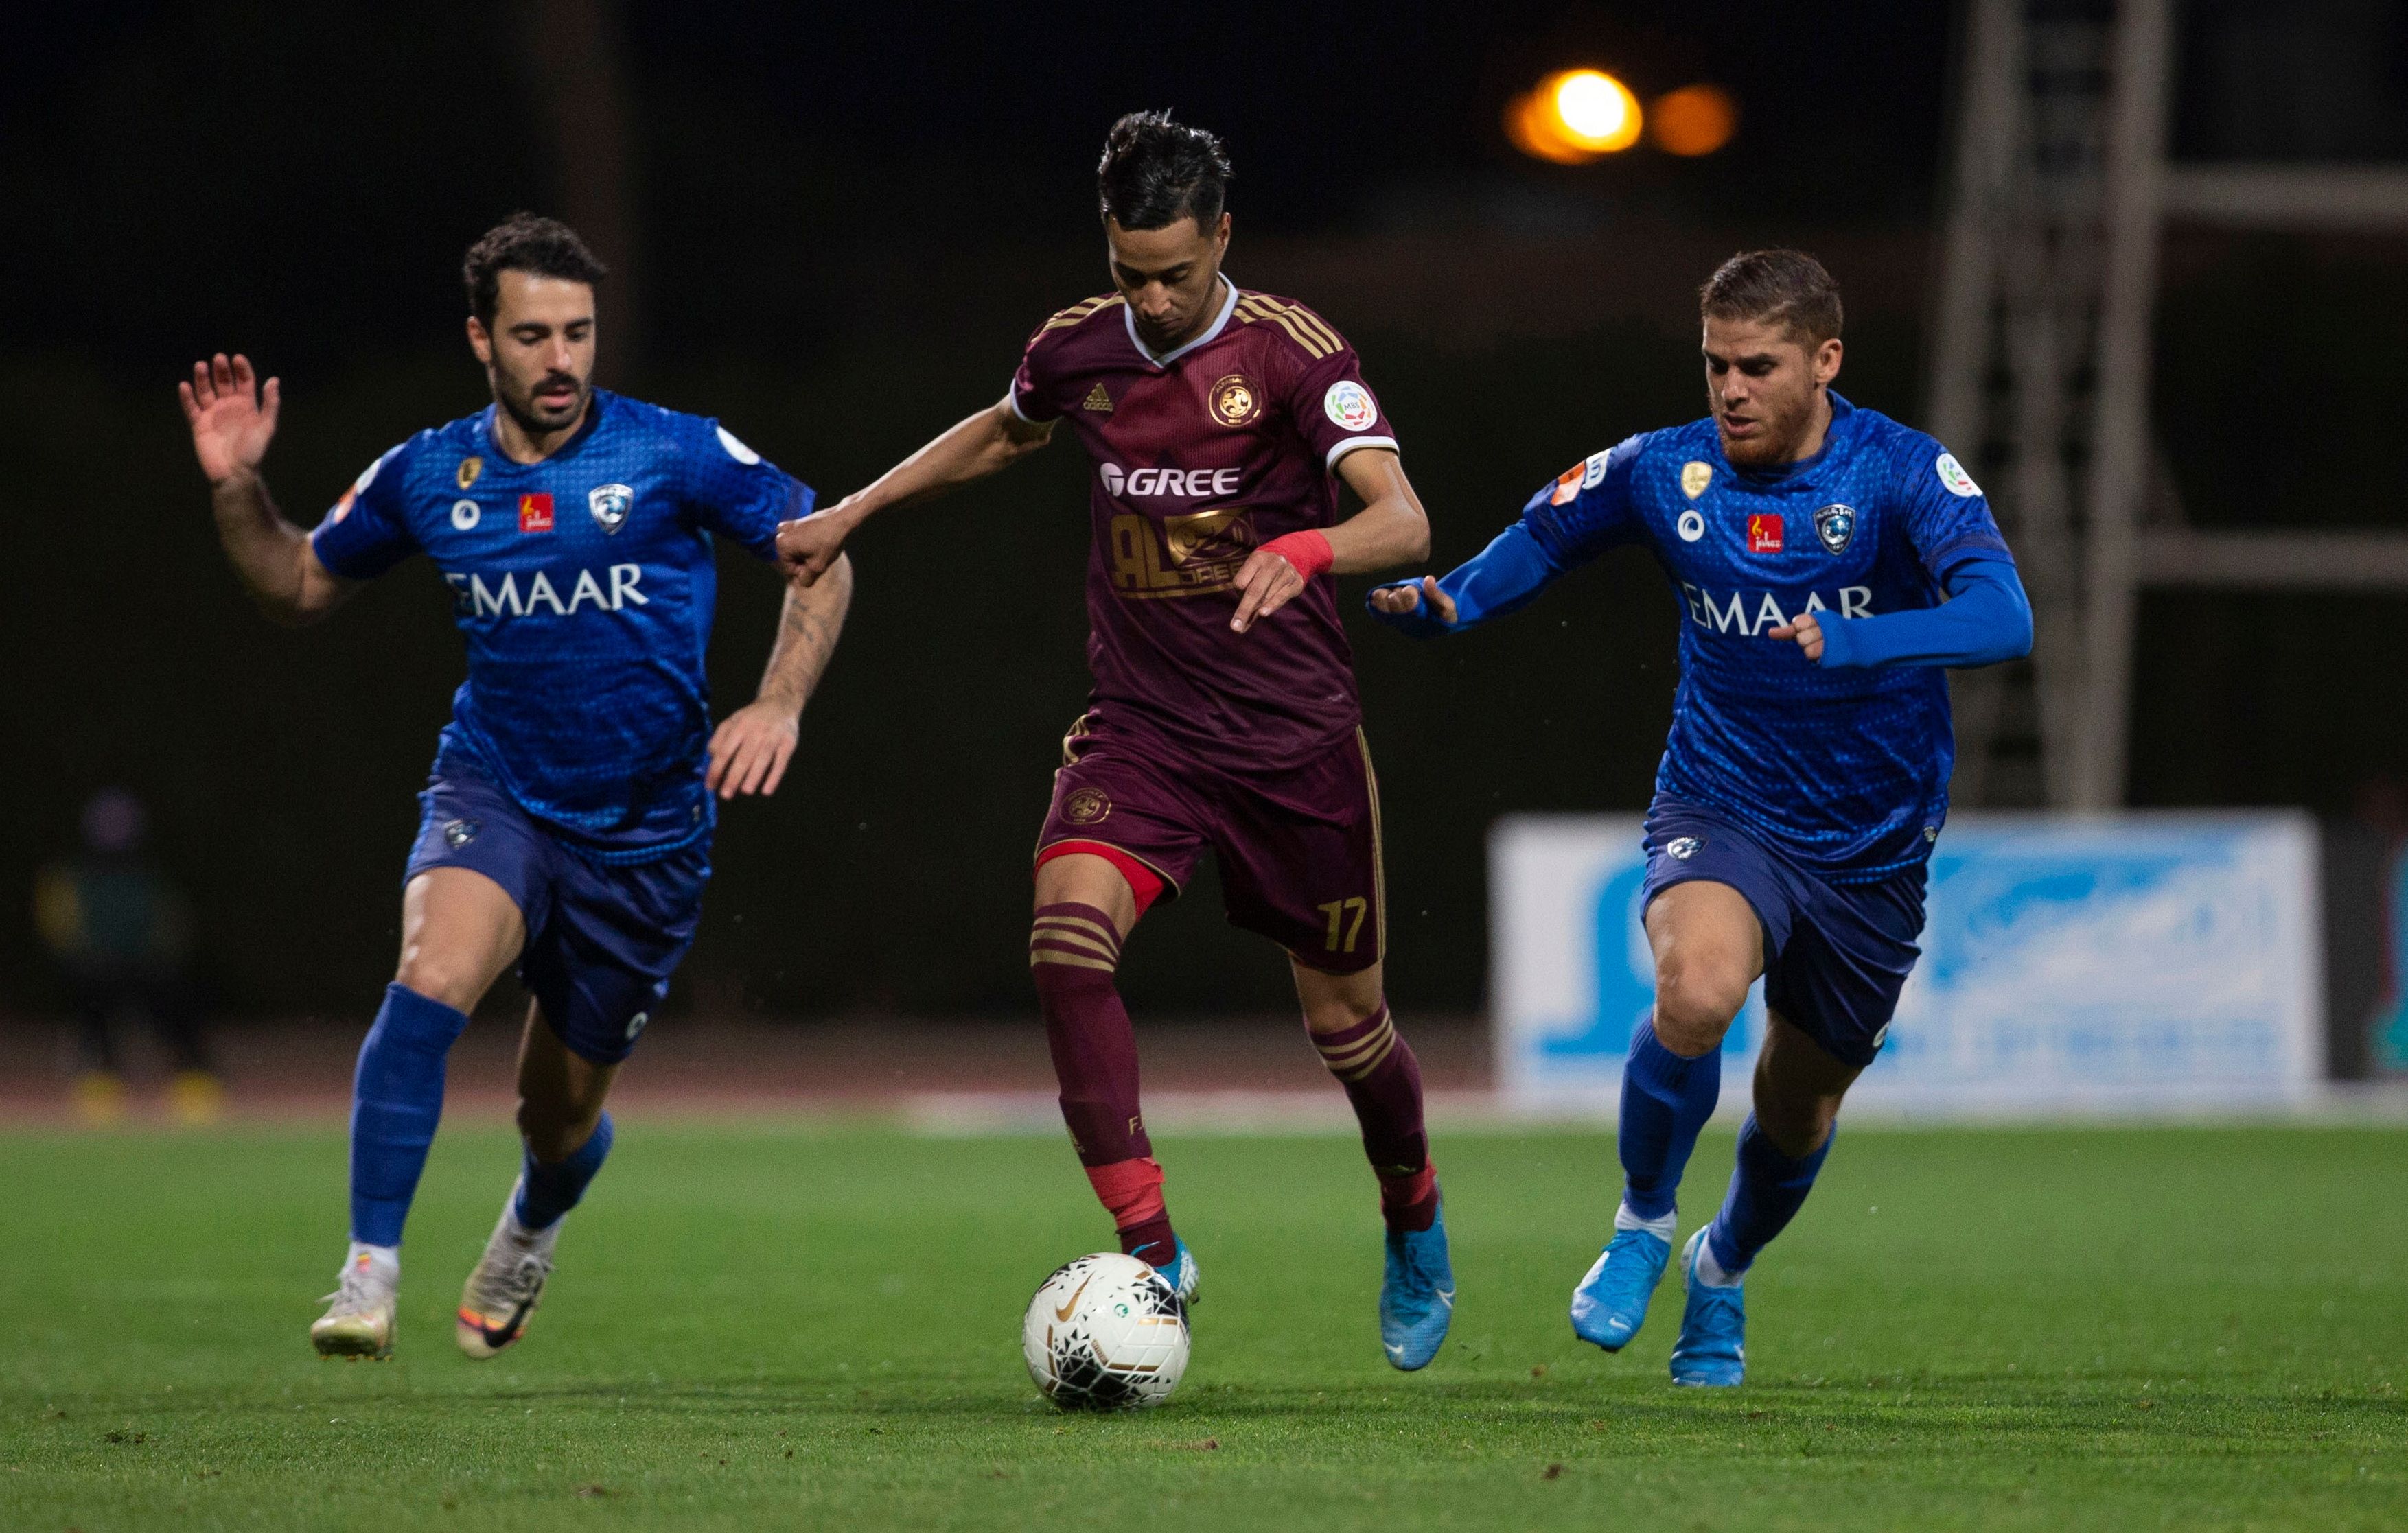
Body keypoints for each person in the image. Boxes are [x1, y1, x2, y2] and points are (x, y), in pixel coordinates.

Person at [774, 112, 1455, 1370]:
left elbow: (1402, 521)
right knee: (1064, 943)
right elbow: (1002, 426)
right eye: (1126, 268)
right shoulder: (1077, 348)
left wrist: (1306, 546)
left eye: (1173, 273)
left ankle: (1411, 1209)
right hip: (1143, 733)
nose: (1147, 297)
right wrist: (855, 510)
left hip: (1292, 745)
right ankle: (1150, 1249)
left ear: (1223, 239)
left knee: (1349, 1030)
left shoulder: (1296, 356)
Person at [180, 213, 850, 1361]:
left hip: (644, 839)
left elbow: (823, 550)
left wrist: (777, 700)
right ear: (480, 340)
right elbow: (295, 581)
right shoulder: (429, 471)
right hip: (497, 791)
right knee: (431, 971)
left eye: (577, 333)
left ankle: (535, 1217)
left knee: (557, 1116)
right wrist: (238, 485)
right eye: (532, 334)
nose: (560, 359)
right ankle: (367, 1272)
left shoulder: (674, 452)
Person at [1369, 250, 2033, 1386]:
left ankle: (1717, 1266)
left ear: (1824, 361)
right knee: (1696, 988)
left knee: (1798, 1099)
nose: (1730, 389)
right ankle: (1637, 1222)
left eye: (1758, 367)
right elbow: (1541, 535)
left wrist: (1865, 635)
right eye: (1715, 364)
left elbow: (2001, 612)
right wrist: (1454, 603)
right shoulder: (1661, 469)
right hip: (1721, 801)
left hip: (1872, 845)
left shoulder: (1900, 474)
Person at [34, 788, 218, 1125]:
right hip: (97, 969)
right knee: (94, 994)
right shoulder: (72, 878)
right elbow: (60, 929)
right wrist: (84, 956)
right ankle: (99, 1080)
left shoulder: (149, 879)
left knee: (175, 991)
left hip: (146, 967)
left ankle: (194, 1078)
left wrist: (160, 956)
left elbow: (172, 927)